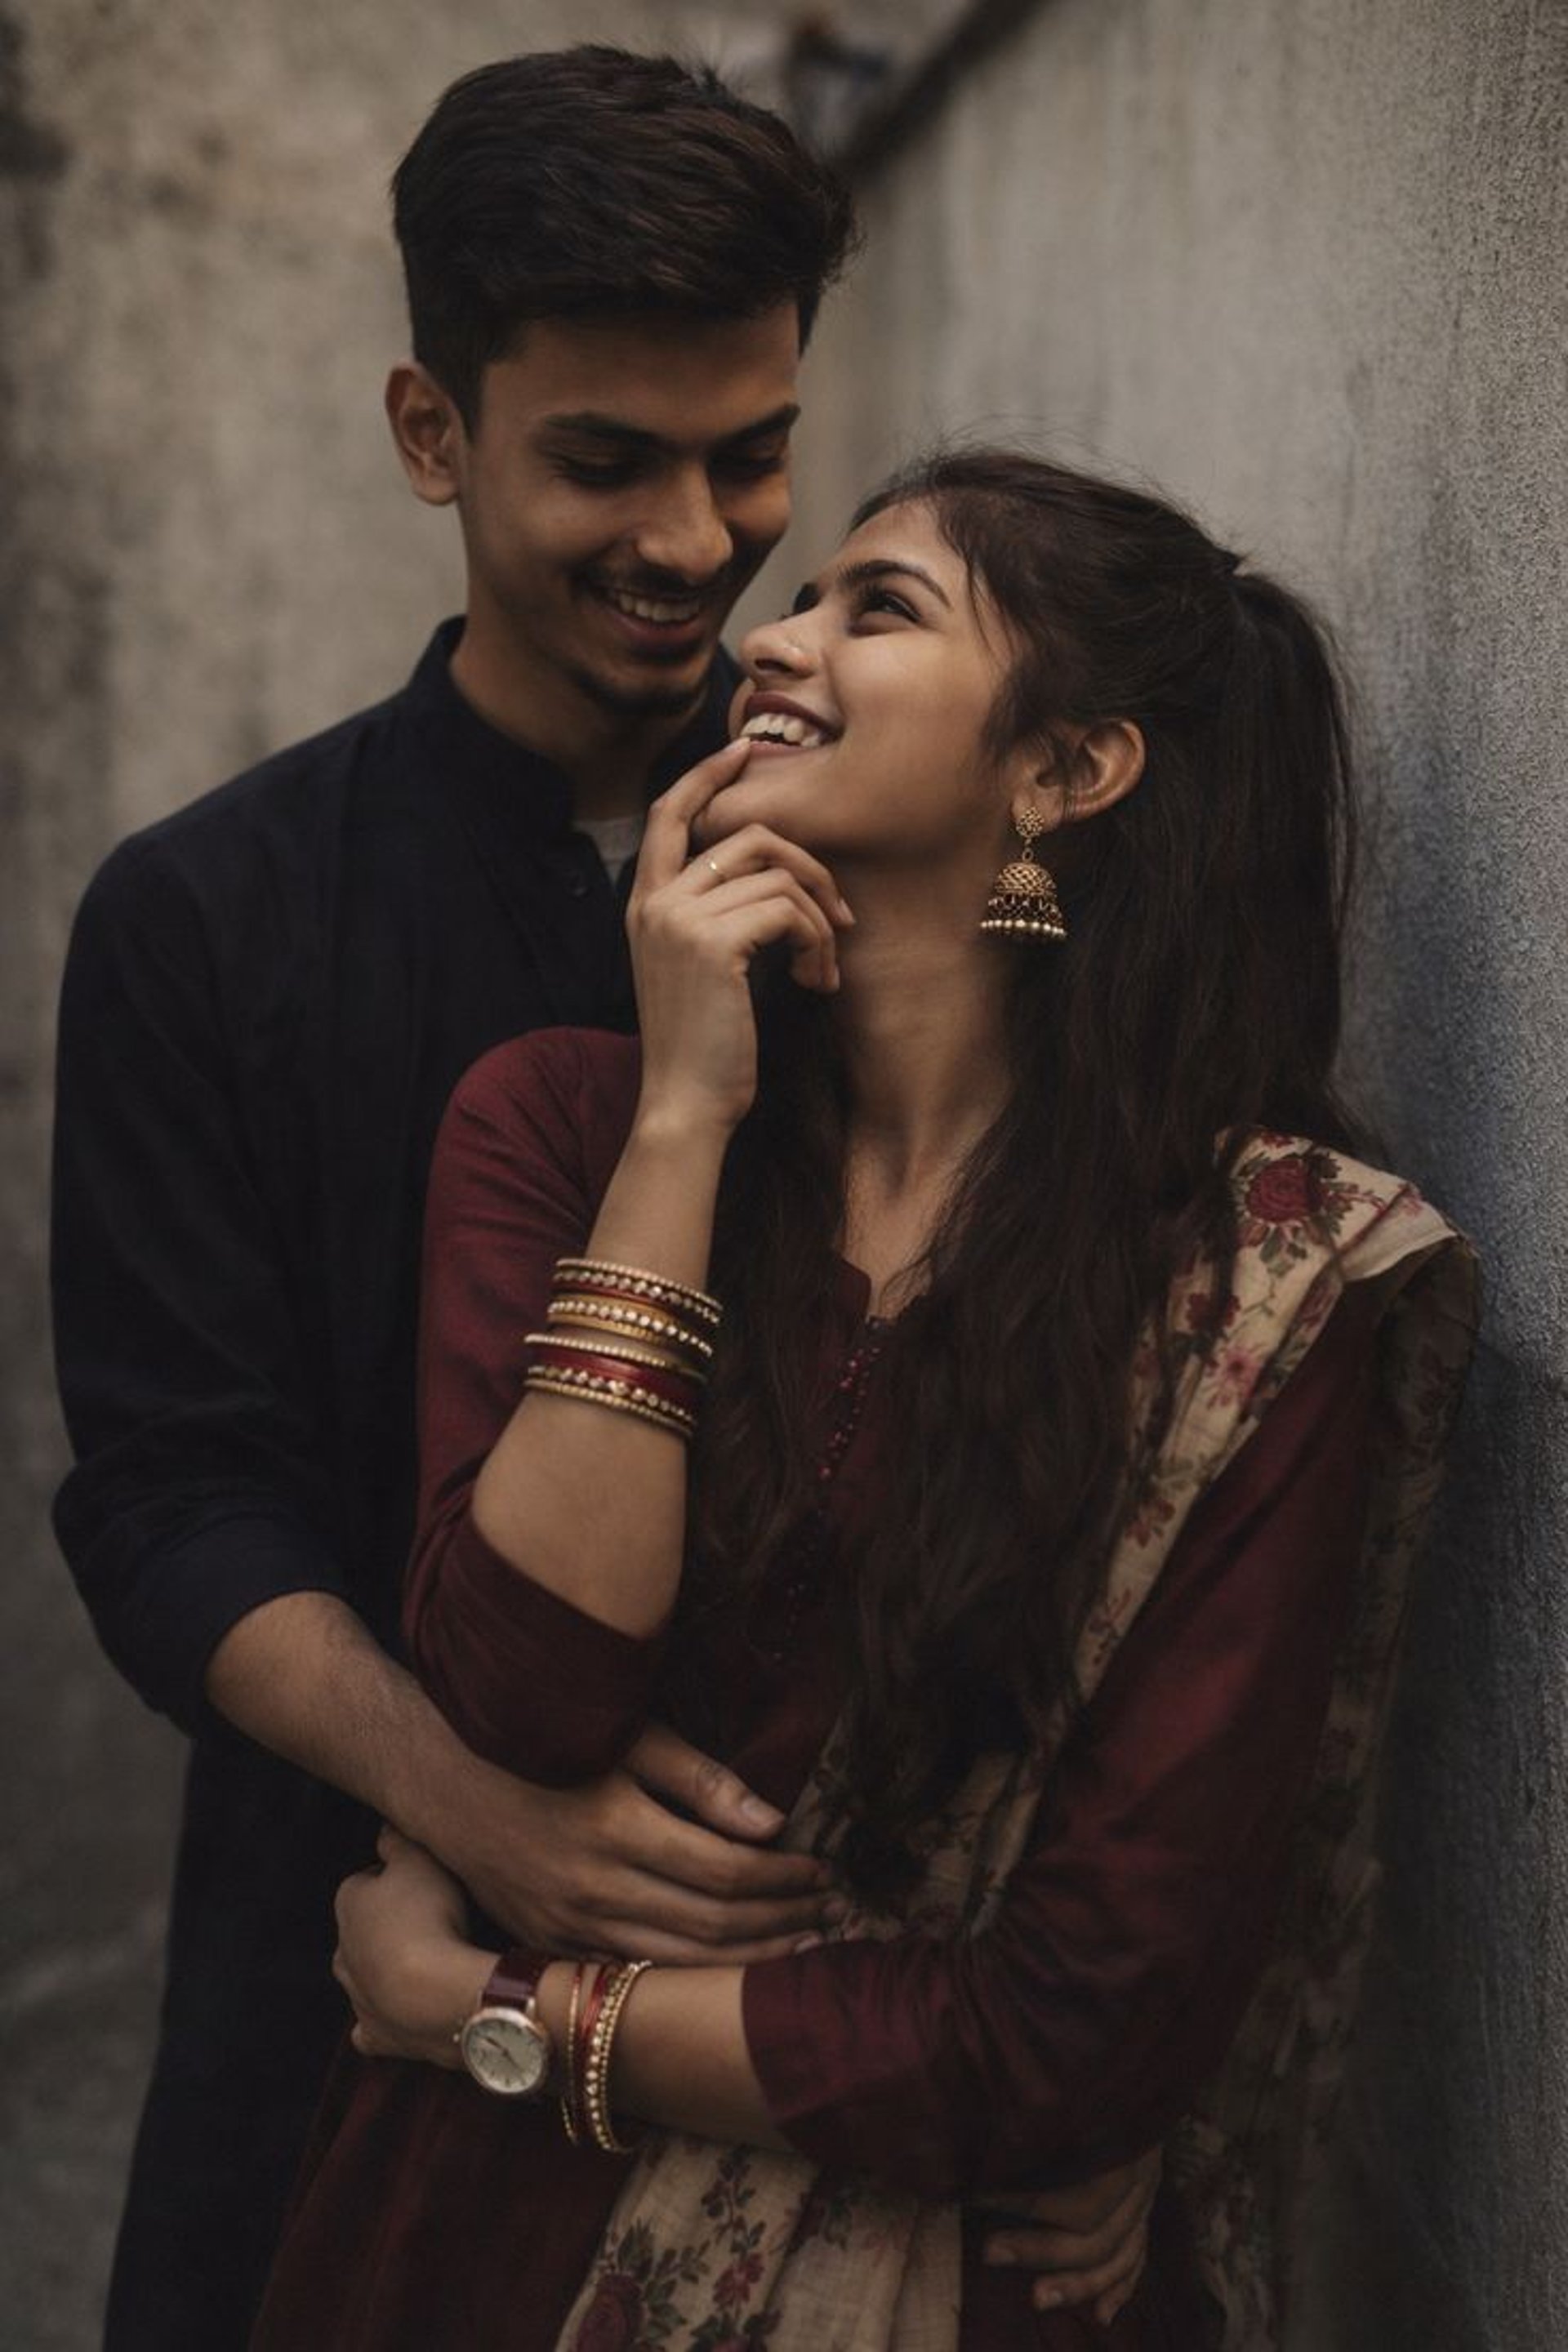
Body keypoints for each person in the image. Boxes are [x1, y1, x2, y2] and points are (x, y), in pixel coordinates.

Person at [51, 49, 1139, 2349]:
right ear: (432, 433)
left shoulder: (927, 851)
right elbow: (170, 1500)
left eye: (751, 454)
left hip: (850, 2024)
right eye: (605, 464)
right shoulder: (206, 915)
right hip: (344, 1964)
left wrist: (1103, 2035)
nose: (693, 542)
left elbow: (1105, 1333)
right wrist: (483, 1821)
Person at [248, 449, 1477, 2351]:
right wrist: (682, 1117)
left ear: (1069, 771)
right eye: (801, 597)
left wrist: (502, 2014)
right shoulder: (565, 1121)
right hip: (463, 2252)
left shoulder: (1253, 1279)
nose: (776, 645)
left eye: (875, 606)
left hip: (933, 2280)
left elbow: (1072, 2035)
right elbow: (525, 1692)